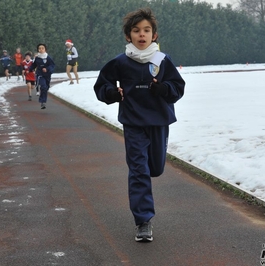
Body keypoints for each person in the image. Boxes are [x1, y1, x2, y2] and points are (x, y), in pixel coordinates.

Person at [93, 8, 185, 242]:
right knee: (138, 170)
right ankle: (143, 220)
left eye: (146, 30)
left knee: (155, 168)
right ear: (128, 36)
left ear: (154, 35)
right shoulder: (120, 62)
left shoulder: (162, 61)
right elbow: (101, 87)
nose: (141, 34)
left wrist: (163, 89)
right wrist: (112, 93)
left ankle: (145, 205)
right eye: (136, 31)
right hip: (133, 122)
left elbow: (178, 88)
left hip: (158, 121)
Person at [29, 44, 55, 109]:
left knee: (46, 87)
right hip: (40, 75)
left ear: (45, 49)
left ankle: (43, 99)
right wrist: (30, 69)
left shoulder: (48, 57)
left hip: (47, 75)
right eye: (39, 48)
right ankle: (42, 102)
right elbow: (34, 65)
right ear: (38, 49)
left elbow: (52, 65)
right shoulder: (37, 58)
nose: (41, 49)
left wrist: (47, 69)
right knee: (43, 86)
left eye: (42, 48)